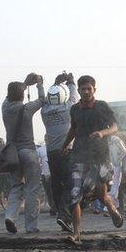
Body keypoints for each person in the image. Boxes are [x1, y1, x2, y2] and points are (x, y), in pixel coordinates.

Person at [62, 75, 123, 246]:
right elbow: (73, 129)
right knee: (74, 194)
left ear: (94, 89)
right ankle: (76, 234)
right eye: (83, 89)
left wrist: (102, 133)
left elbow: (115, 127)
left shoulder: (102, 107)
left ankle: (112, 209)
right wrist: (65, 145)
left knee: (101, 195)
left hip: (100, 157)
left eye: (89, 88)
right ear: (79, 90)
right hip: (79, 156)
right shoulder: (74, 109)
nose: (86, 91)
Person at [2, 73, 45, 233]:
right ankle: (31, 226)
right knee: (32, 189)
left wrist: (25, 83)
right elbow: (42, 100)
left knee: (15, 187)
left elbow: (7, 98)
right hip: (28, 151)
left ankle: (10, 216)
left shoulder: (5, 108)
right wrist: (39, 83)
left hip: (12, 155)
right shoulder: (26, 108)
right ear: (22, 95)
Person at [41, 72, 79, 233]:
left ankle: (60, 214)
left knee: (57, 185)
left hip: (51, 153)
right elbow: (74, 97)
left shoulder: (44, 111)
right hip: (66, 151)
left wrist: (51, 83)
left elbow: (44, 99)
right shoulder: (68, 108)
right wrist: (71, 81)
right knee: (71, 185)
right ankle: (64, 216)